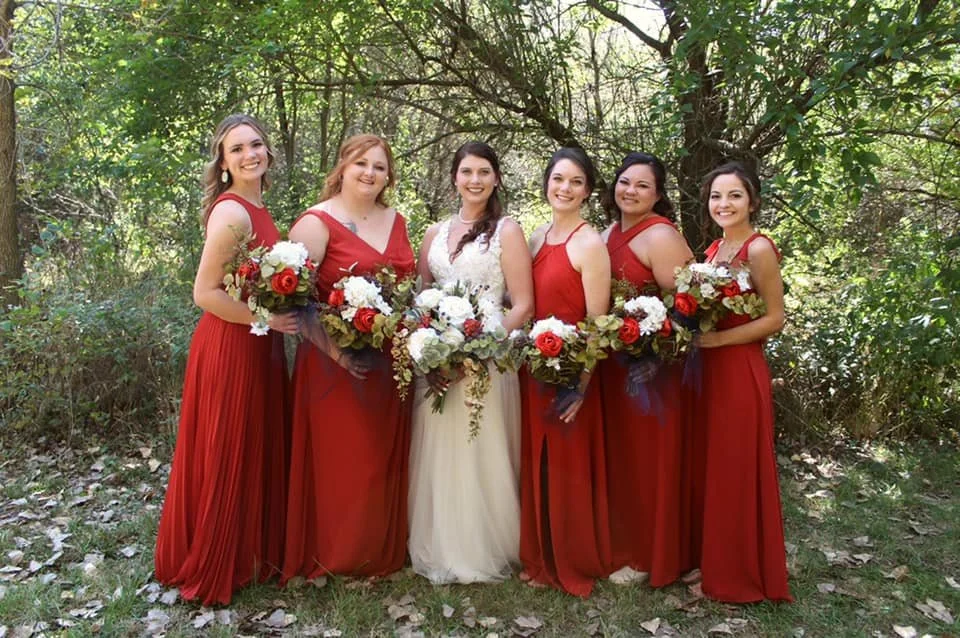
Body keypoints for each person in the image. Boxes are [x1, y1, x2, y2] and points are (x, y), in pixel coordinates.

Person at [154, 114, 299, 606]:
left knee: (250, 442)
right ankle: (217, 560)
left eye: (255, 144)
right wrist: (267, 317)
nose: (249, 154)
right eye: (236, 149)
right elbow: (204, 293)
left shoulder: (259, 206)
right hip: (231, 344)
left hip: (259, 340)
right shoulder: (232, 212)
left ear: (268, 152)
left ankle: (249, 553)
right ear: (222, 163)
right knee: (228, 446)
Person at [281, 134, 416, 581]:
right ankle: (336, 556)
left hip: (388, 365)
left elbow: (408, 290)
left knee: (381, 460)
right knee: (345, 462)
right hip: (334, 365)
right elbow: (294, 302)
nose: (370, 173)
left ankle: (378, 554)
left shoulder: (396, 221)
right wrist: (338, 353)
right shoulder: (315, 223)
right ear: (341, 167)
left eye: (379, 166)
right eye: (361, 164)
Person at [407, 142, 534, 584]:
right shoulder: (433, 234)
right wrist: (434, 345)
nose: (475, 180)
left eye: (484, 171)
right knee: (443, 448)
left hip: (489, 359)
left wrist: (479, 346)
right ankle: (443, 542)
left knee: (481, 446)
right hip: (442, 360)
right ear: (454, 177)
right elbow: (421, 299)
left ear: (497, 178)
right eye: (466, 171)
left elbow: (522, 304)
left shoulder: (508, 231)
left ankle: (489, 545)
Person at [694, 161, 792, 602]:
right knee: (716, 467)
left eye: (734, 195)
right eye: (717, 195)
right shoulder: (715, 250)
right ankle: (717, 564)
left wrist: (718, 341)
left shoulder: (758, 249)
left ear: (752, 201)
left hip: (739, 369)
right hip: (710, 372)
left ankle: (742, 576)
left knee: (737, 467)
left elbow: (776, 318)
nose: (724, 203)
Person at [598, 152, 695, 587]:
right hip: (613, 365)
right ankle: (619, 546)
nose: (630, 191)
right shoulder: (606, 233)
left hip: (653, 371)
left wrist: (657, 352)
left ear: (657, 195)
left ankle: (648, 555)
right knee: (621, 460)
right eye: (625, 182)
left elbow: (691, 305)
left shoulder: (660, 236)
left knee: (648, 460)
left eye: (642, 185)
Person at [518, 147, 612, 597]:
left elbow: (598, 323)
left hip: (571, 371)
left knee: (567, 467)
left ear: (588, 191)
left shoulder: (590, 244)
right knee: (537, 462)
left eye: (576, 182)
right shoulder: (536, 237)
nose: (565, 188)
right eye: (558, 179)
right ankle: (538, 553)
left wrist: (581, 384)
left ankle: (569, 557)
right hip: (532, 368)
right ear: (546, 183)